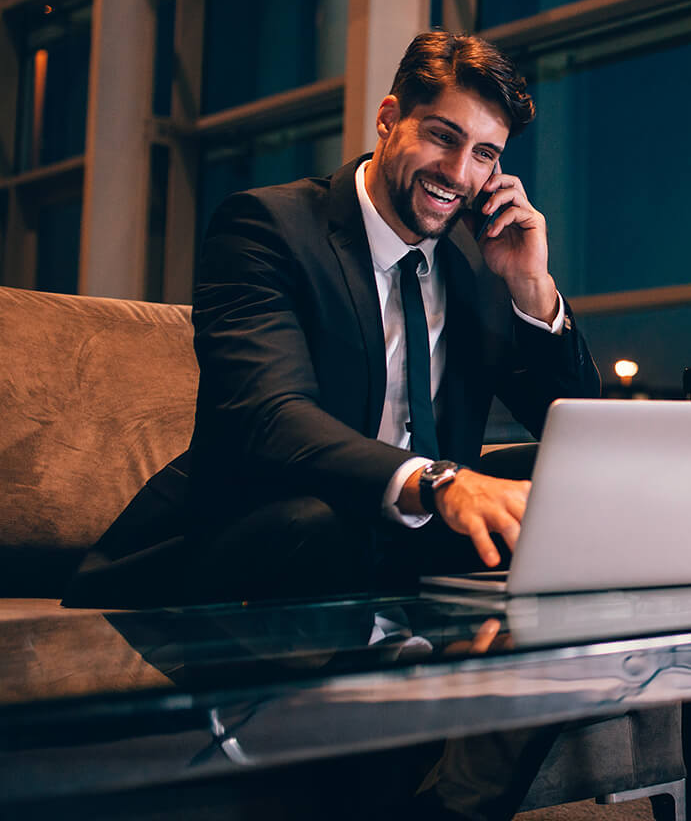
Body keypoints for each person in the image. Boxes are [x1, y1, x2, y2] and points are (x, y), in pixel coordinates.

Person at [66, 30, 601, 608]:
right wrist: (438, 481)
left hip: (402, 546)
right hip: (257, 533)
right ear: (389, 118)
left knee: (564, 486)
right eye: (443, 137)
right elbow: (273, 419)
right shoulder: (266, 228)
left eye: (483, 154)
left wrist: (531, 287)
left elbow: (572, 426)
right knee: (323, 524)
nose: (458, 172)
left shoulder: (478, 261)